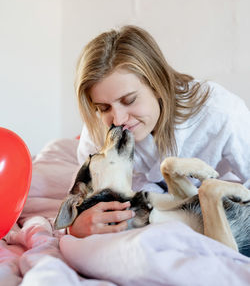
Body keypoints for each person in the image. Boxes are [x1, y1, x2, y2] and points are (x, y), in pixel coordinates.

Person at [69, 25, 250, 238]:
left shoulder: (220, 113)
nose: (117, 120)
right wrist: (75, 226)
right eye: (103, 107)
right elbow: (81, 198)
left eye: (129, 100)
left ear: (157, 85)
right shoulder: (101, 131)